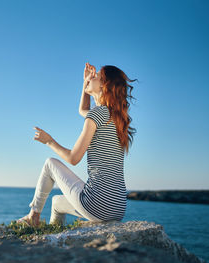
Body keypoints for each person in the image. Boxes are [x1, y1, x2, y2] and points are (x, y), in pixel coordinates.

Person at [17, 63, 138, 227]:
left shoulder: (97, 114)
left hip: (96, 204)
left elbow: (74, 158)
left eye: (96, 76)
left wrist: (49, 140)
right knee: (57, 202)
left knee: (50, 164)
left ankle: (33, 216)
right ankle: (56, 234)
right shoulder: (115, 117)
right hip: (117, 209)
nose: (91, 77)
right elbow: (83, 109)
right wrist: (85, 82)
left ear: (105, 85)